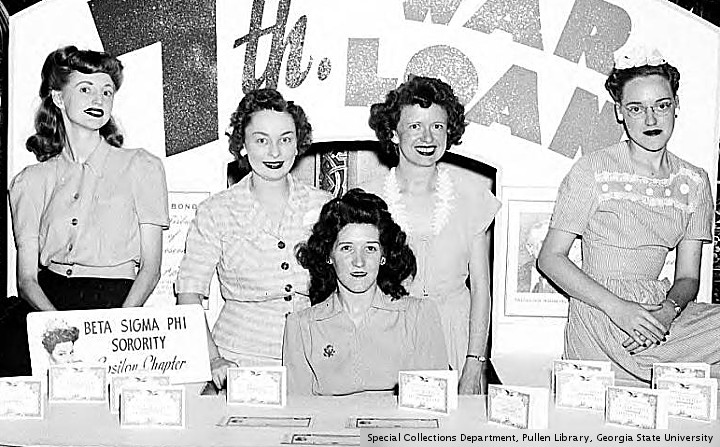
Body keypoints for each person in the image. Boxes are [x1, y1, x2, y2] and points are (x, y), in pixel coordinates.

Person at [538, 47, 720, 383]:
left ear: (676, 106)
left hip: (660, 316)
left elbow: (687, 278)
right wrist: (619, 309)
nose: (651, 120)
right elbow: (550, 259)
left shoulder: (695, 181)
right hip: (599, 313)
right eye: (636, 109)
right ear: (620, 112)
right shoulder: (592, 170)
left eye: (661, 106)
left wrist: (666, 312)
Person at [176, 89, 331, 388]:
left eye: (285, 139)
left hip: (312, 359)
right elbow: (189, 294)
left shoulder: (324, 205)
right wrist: (213, 359)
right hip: (237, 361)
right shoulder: (216, 210)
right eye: (261, 140)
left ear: (298, 144)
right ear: (243, 145)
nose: (274, 152)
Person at [363, 76, 500, 393]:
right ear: (393, 133)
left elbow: (481, 290)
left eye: (437, 126)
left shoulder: (472, 197)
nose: (427, 137)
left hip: (456, 340)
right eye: (415, 126)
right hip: (387, 336)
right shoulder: (368, 197)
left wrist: (474, 364)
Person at [8, 46, 169, 311]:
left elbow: (151, 270)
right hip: (48, 303)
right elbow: (27, 280)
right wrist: (56, 324)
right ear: (59, 98)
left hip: (115, 302)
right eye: (85, 89)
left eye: (107, 92)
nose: (99, 100)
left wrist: (117, 324)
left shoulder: (142, 167)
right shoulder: (30, 181)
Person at [283, 189, 447, 395]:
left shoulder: (418, 316)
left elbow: (433, 402)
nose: (359, 262)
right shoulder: (301, 326)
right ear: (329, 255)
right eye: (346, 248)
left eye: (370, 248)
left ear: (383, 255)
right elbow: (298, 409)